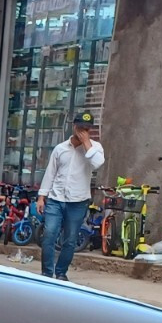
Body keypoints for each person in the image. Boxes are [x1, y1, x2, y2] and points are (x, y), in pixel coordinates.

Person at [37, 111, 106, 281]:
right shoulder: (60, 148)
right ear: (74, 126)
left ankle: (61, 273)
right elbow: (50, 172)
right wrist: (41, 196)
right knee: (49, 234)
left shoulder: (95, 148)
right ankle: (47, 273)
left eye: (87, 128)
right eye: (81, 127)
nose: (83, 130)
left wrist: (87, 144)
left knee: (70, 239)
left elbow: (97, 164)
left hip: (78, 201)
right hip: (56, 198)